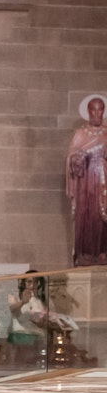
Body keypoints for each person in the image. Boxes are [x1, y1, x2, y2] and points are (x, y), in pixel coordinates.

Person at [67, 94, 107, 266]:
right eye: (94, 110)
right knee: (87, 216)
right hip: (85, 182)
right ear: (88, 112)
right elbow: (71, 158)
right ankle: (85, 254)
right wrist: (78, 159)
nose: (97, 113)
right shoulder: (80, 133)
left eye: (100, 110)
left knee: (101, 216)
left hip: (103, 180)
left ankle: (102, 252)